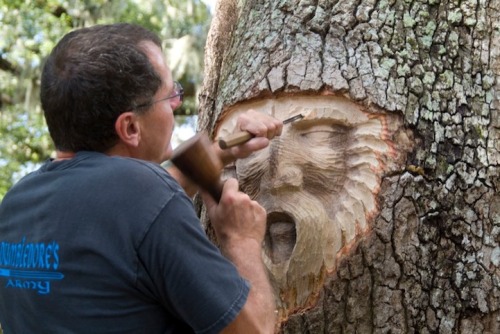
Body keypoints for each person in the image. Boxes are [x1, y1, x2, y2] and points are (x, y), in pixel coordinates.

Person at [0, 23, 283, 333]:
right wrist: (241, 239)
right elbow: (253, 330)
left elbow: (130, 221)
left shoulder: (15, 204)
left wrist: (219, 153)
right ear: (130, 128)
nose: (176, 104)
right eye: (170, 95)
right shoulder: (144, 195)